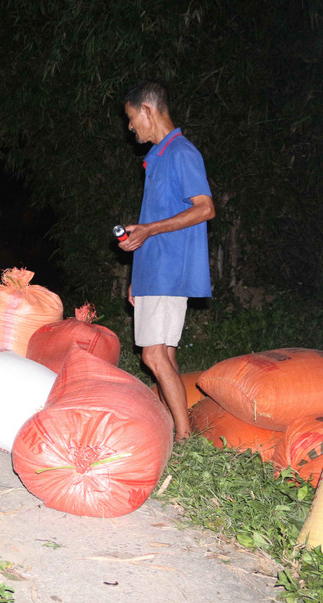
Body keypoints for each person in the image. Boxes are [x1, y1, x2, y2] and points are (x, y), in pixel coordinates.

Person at [119, 80, 216, 441]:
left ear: (147, 109)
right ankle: (174, 424)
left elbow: (205, 208)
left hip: (171, 269)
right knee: (164, 356)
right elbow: (149, 222)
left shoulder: (182, 153)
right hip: (153, 270)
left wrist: (148, 230)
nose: (130, 127)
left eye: (131, 118)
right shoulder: (156, 157)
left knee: (154, 356)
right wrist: (137, 275)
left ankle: (183, 436)